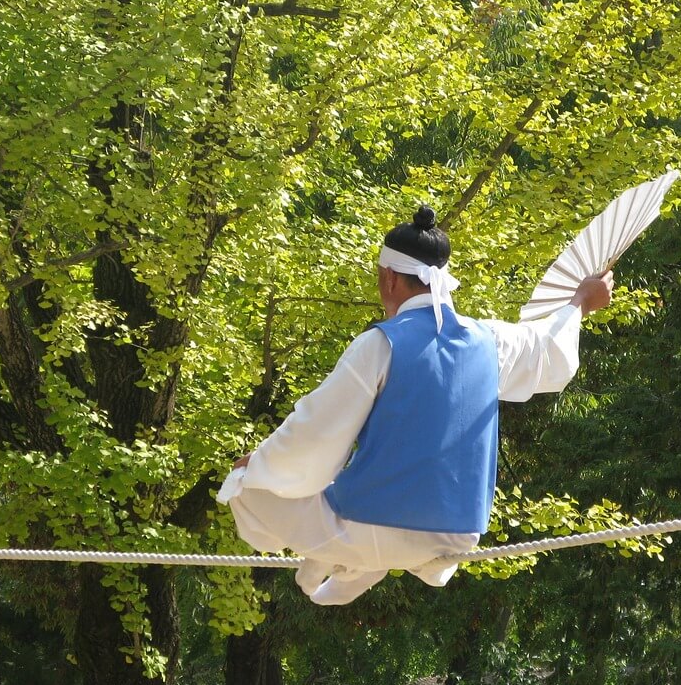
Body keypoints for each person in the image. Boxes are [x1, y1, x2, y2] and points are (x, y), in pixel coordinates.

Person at [218, 206, 613, 605]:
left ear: (388, 278)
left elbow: (315, 434)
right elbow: (547, 351)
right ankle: (353, 562)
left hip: (369, 527)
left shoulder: (379, 344)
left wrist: (258, 464)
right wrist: (580, 300)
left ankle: (342, 557)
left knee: (247, 489)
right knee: (354, 512)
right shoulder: (490, 341)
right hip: (454, 537)